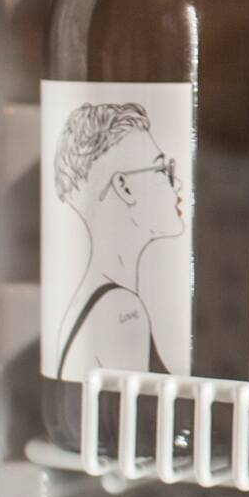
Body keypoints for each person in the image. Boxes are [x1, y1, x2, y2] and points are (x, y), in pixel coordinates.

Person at [49, 101, 186, 380]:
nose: (178, 183)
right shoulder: (123, 309)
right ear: (124, 187)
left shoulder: (90, 299)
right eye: (162, 170)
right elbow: (130, 409)